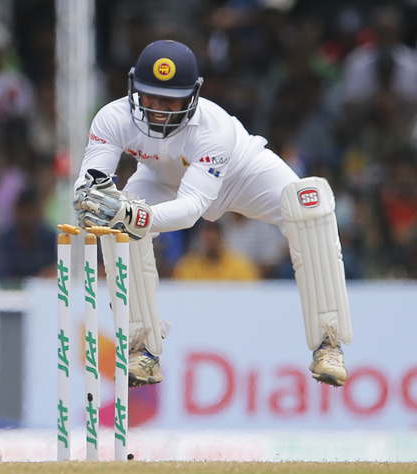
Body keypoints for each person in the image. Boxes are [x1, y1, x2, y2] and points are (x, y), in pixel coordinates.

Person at [73, 40, 352, 389]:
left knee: (309, 204)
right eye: (150, 97)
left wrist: (134, 216)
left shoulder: (212, 129)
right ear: (133, 89)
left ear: (193, 96)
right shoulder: (113, 118)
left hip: (241, 175)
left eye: (170, 99)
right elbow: (88, 185)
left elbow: (192, 210)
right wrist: (95, 202)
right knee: (121, 225)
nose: (158, 109)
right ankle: (140, 349)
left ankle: (330, 344)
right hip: (162, 179)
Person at [172, 221, 260, 281]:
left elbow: (249, 295)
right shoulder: (188, 266)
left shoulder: (240, 266)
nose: (211, 244)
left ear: (222, 239)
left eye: (214, 240)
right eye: (208, 240)